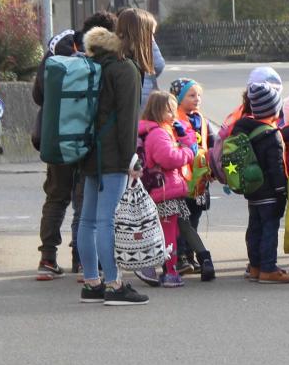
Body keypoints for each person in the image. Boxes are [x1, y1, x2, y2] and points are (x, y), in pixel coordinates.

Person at [75, 24, 149, 306]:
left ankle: (92, 283)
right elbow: (129, 119)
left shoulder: (93, 65)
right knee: (108, 220)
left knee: (88, 219)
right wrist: (132, 156)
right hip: (114, 156)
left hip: (89, 151)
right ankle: (115, 284)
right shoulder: (125, 68)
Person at [32, 26, 83, 279]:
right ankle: (83, 259)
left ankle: (47, 258)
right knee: (84, 201)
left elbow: (37, 96)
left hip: (54, 139)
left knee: (55, 198)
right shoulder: (84, 56)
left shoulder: (51, 59)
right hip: (83, 138)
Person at [231, 81, 289, 284]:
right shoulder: (271, 135)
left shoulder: (245, 129)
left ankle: (255, 266)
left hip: (253, 190)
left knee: (254, 228)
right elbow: (276, 168)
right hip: (270, 193)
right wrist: (282, 190)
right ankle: (268, 268)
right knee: (269, 229)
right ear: (274, 109)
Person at [134, 90, 196, 289]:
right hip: (165, 190)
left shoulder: (158, 131)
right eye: (169, 111)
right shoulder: (158, 133)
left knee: (163, 231)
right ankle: (170, 272)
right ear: (158, 111)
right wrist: (187, 153)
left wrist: (184, 136)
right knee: (168, 233)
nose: (173, 114)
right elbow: (168, 158)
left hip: (165, 189)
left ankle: (156, 267)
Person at [170, 78, 216, 281]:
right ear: (178, 99)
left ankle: (190, 254)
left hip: (200, 177)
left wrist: (213, 169)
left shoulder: (202, 120)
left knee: (195, 215)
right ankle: (180, 257)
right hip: (182, 177)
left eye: (199, 95)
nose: (197, 99)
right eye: (191, 95)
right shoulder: (174, 120)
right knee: (182, 218)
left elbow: (212, 144)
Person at [116, 8, 164, 115]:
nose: (152, 39)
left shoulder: (119, 55)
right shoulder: (130, 63)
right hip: (138, 118)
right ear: (141, 35)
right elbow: (159, 65)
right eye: (151, 34)